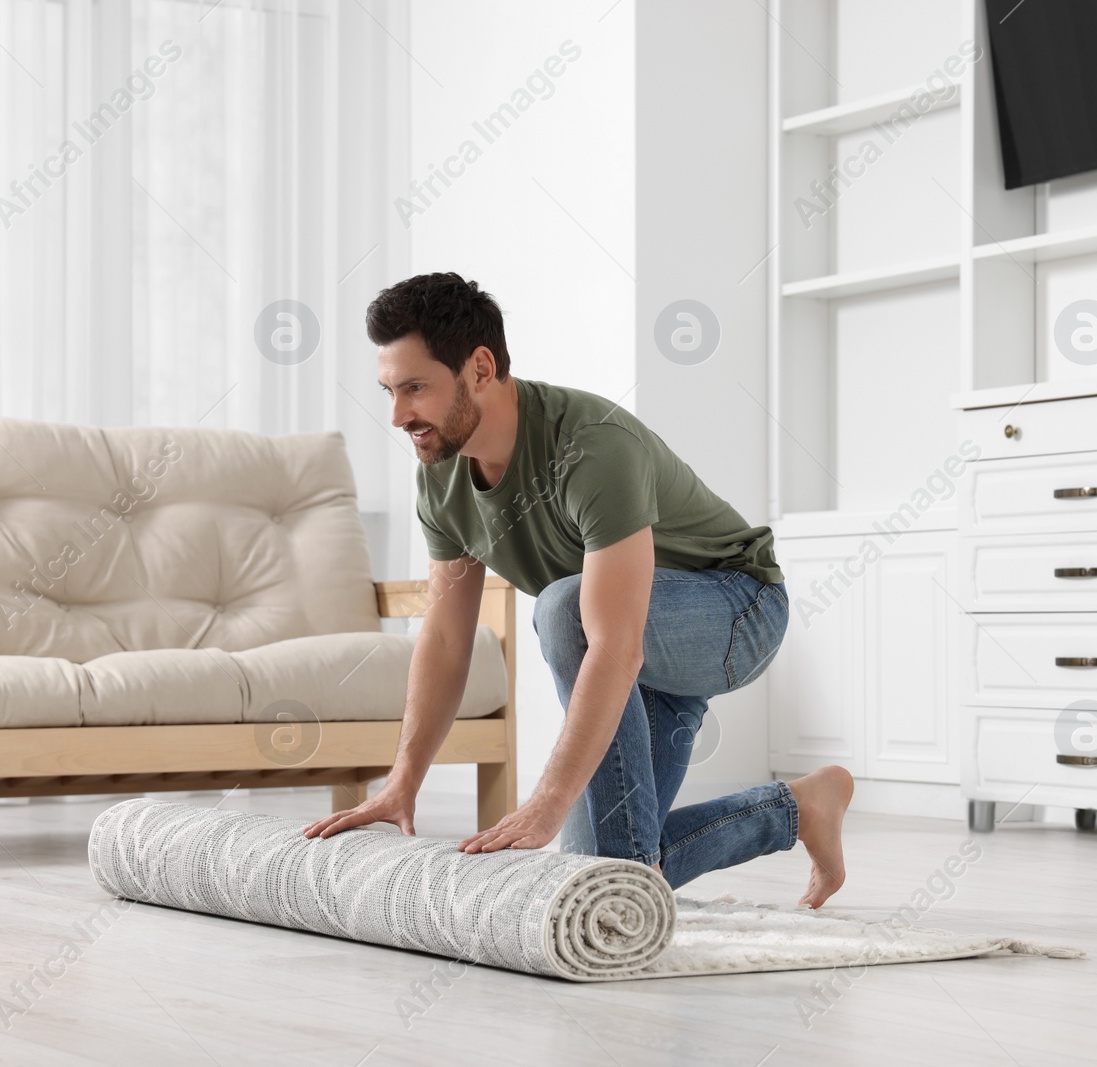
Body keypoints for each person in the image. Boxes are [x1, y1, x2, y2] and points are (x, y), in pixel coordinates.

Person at [301, 272, 853, 908]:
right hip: (632, 643)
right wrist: (404, 780)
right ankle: (798, 809)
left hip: (732, 607)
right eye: (390, 392)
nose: (398, 416)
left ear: (480, 368)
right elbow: (447, 638)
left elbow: (614, 639)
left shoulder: (591, 447)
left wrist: (547, 801)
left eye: (415, 388)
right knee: (605, 880)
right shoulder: (440, 475)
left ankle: (775, 811)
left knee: (563, 606)